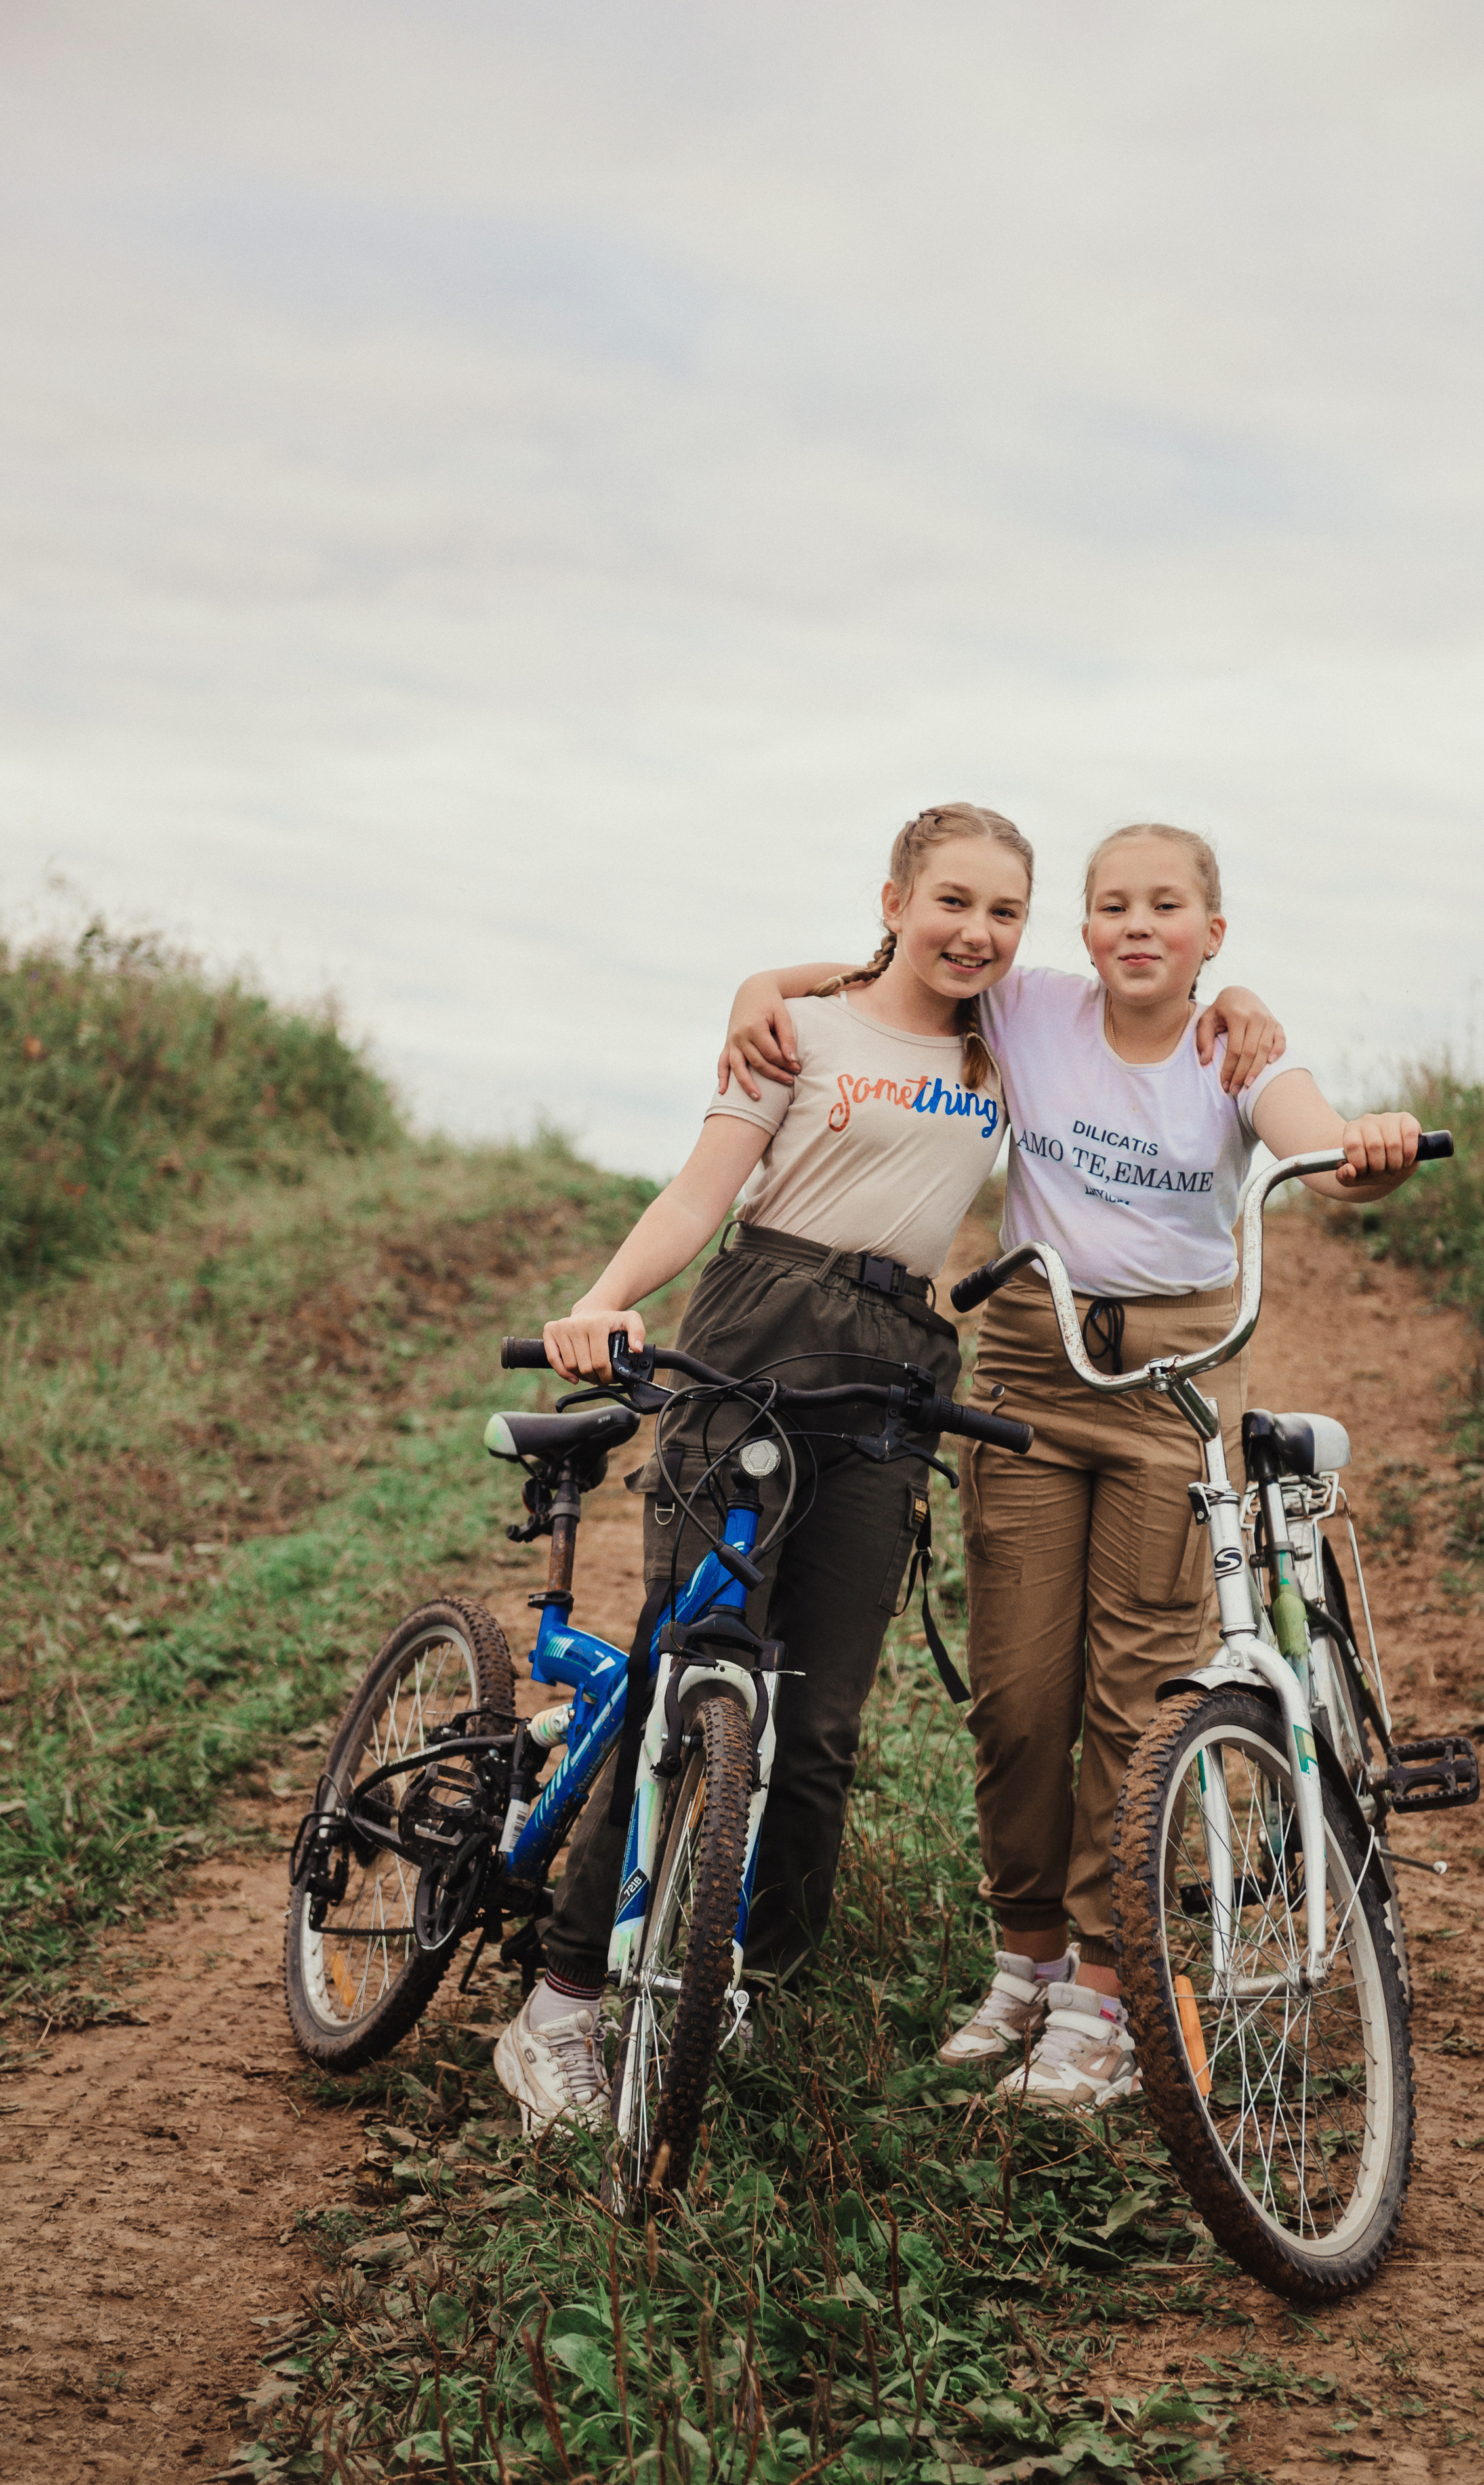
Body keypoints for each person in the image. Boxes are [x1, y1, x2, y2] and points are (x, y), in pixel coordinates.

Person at [495, 803, 1274, 2135]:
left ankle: (754, 1987)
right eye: (950, 901)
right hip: (761, 1319)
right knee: (694, 1671)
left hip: (902, 1359)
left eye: (1003, 912)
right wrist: (606, 1297)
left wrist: (1241, 999)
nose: (975, 931)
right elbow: (699, 1193)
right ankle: (560, 1999)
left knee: (821, 1716)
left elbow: (1147, 1010)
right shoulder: (799, 1028)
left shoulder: (1011, 1041)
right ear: (894, 898)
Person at [718, 821, 1424, 2116]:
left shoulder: (1233, 1049)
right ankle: (1023, 1962)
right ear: (1082, 932)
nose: (1135, 924)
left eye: (1166, 906)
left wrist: (1362, 1149)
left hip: (1171, 1379)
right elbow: (892, 971)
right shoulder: (1031, 1011)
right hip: (1032, 1363)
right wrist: (760, 988)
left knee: (1130, 1696)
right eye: (1110, 906)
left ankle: (1104, 1988)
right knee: (1015, 1696)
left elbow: (1314, 1144)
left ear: (1212, 934)